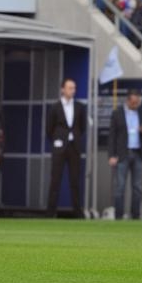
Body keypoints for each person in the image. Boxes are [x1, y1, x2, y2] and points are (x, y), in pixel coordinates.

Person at [46, 79, 86, 218]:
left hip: (73, 147)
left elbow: (82, 127)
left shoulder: (80, 107)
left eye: (74, 88)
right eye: (69, 88)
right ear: (63, 89)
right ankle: (50, 212)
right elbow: (49, 129)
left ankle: (77, 212)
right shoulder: (55, 107)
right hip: (59, 148)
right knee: (55, 180)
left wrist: (74, 137)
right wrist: (58, 140)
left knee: (75, 180)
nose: (72, 90)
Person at [108, 90, 142, 220]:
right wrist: (111, 155)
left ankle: (135, 215)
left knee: (137, 187)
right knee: (120, 186)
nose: (136, 105)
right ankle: (118, 215)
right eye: (133, 103)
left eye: (137, 103)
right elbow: (112, 136)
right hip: (122, 154)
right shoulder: (117, 113)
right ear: (128, 101)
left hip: (137, 153)